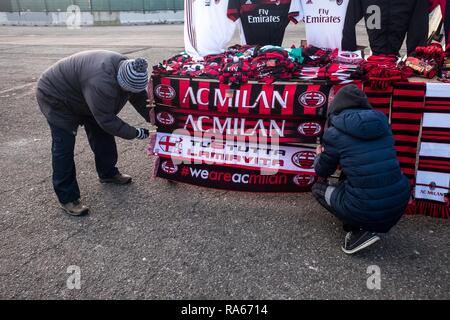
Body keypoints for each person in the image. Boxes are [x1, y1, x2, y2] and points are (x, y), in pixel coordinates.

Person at [36, 50, 152, 216]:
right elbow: (106, 120)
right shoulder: (101, 81)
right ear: (120, 81)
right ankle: (67, 197)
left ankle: (108, 173)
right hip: (56, 96)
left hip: (83, 94)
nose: (129, 94)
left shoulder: (131, 69)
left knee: (102, 135)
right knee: (64, 145)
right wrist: (136, 132)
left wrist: (157, 120)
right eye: (127, 90)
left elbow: (140, 98)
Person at [312, 85, 411, 255]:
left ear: (337, 104)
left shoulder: (334, 132)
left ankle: (359, 231)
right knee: (360, 172)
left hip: (365, 207)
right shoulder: (382, 123)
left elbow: (323, 170)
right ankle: (369, 219)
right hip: (399, 200)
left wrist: (319, 155)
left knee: (317, 189)